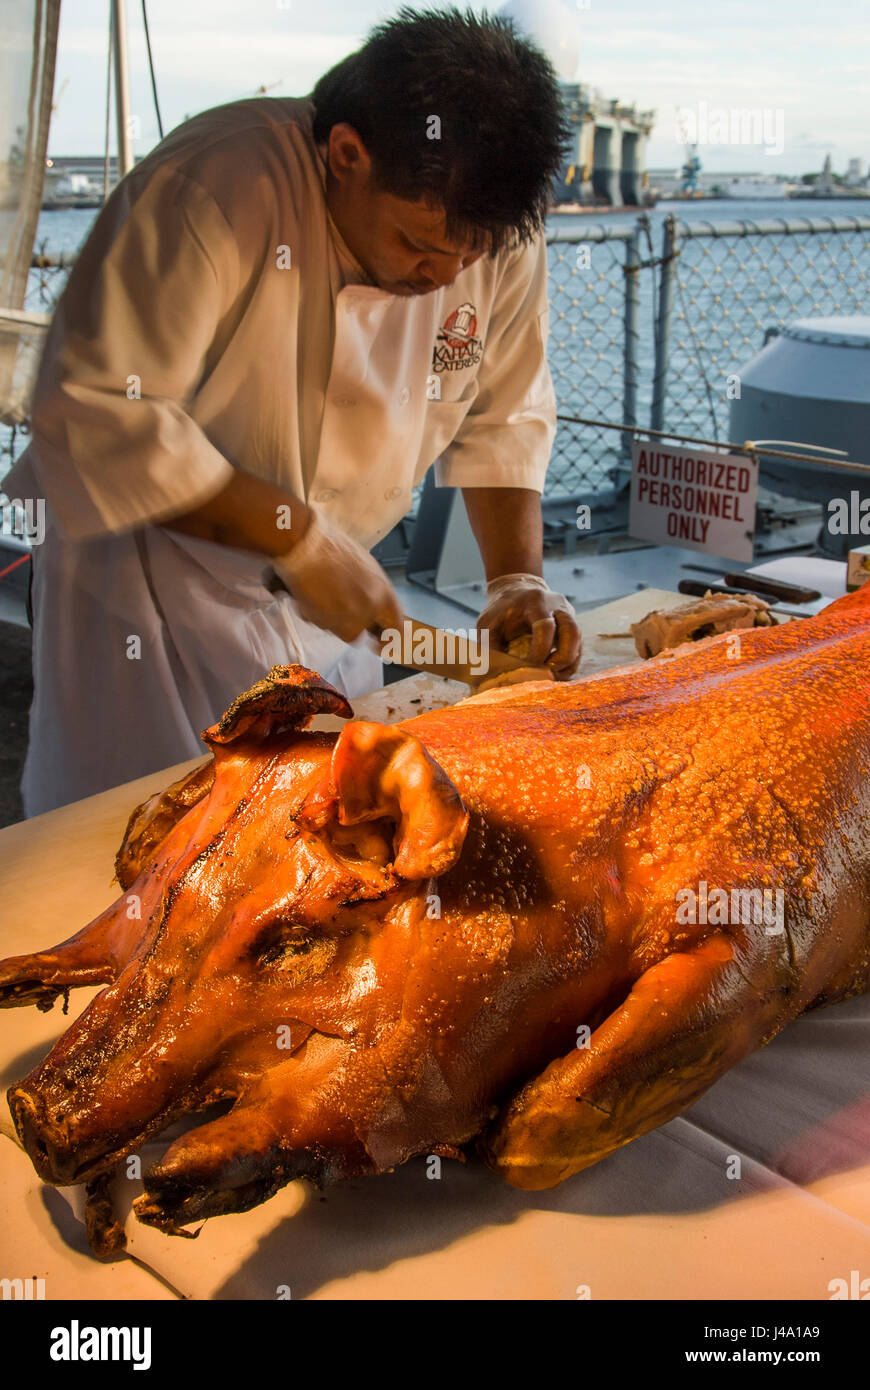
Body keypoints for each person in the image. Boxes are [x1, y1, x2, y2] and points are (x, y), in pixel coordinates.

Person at [7, 6, 582, 817]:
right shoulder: (212, 189)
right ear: (347, 155)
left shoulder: (492, 223)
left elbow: (506, 414)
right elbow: (97, 410)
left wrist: (517, 578)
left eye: (473, 254)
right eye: (422, 244)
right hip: (149, 590)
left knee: (330, 831)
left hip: (332, 598)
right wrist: (293, 533)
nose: (447, 275)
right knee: (134, 839)